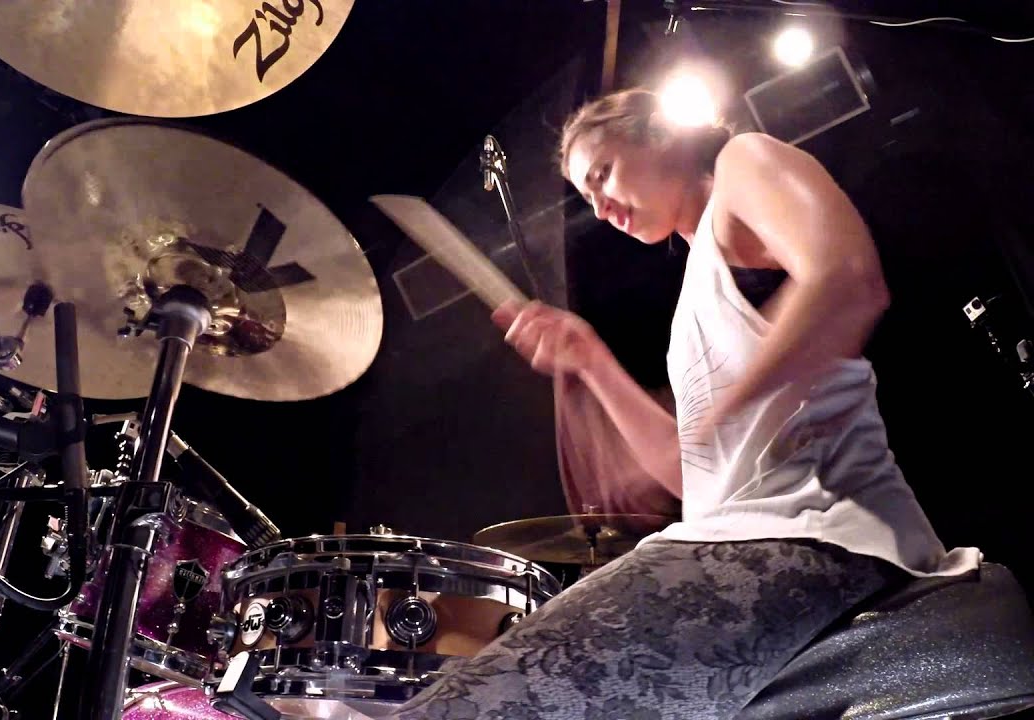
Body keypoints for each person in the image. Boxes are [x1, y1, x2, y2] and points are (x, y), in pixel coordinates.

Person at [385, 87, 981, 719]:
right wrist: (592, 361)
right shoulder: (696, 299)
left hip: (825, 535)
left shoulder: (743, 163)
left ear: (662, 135)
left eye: (603, 173)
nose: (600, 206)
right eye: (586, 195)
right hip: (747, 535)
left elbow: (849, 280)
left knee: (481, 702)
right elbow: (684, 466)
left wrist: (728, 410)